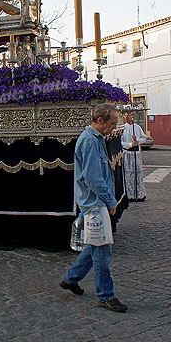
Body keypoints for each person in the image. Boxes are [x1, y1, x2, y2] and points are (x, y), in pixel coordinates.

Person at [59, 103, 128, 313]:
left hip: (94, 202)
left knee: (95, 246)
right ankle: (106, 295)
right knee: (101, 251)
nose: (114, 128)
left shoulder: (95, 139)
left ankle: (71, 279)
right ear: (100, 121)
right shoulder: (90, 142)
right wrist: (110, 201)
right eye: (112, 123)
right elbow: (93, 178)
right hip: (95, 203)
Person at [121, 111, 147, 202]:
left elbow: (144, 138)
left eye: (129, 116)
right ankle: (129, 195)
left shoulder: (137, 127)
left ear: (132, 117)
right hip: (128, 154)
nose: (127, 117)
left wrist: (137, 141)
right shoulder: (123, 128)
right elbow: (121, 143)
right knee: (128, 174)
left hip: (136, 154)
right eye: (125, 116)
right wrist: (130, 144)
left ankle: (139, 194)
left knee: (138, 173)